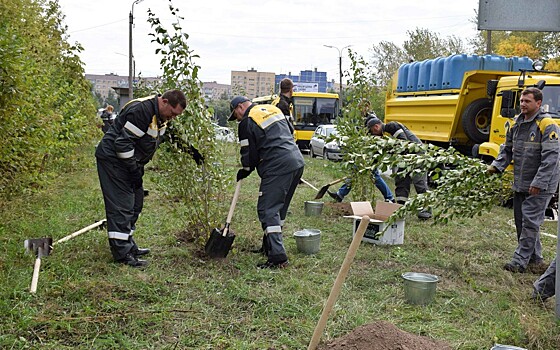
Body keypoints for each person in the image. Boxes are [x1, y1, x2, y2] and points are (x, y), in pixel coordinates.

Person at [95, 89, 193, 267]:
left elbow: (169, 136)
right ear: (163, 101)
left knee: (136, 203)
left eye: (176, 115)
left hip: (130, 162)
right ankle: (122, 254)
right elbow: (122, 144)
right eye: (172, 113)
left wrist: (190, 150)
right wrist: (134, 171)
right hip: (114, 160)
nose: (173, 118)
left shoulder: (161, 116)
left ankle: (129, 245)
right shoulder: (142, 111)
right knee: (122, 205)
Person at [488, 87, 560, 273]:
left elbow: (551, 158)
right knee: (522, 221)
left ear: (538, 103)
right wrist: (496, 166)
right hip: (521, 181)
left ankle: (519, 262)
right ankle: (536, 260)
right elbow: (507, 149)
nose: (522, 104)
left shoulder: (547, 124)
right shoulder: (516, 123)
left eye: (527, 101)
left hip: (540, 185)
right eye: (521, 100)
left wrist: (539, 183)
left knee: (530, 221)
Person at [229, 96, 305, 269]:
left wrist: (245, 170)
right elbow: (290, 132)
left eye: (236, 115)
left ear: (240, 107)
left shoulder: (247, 122)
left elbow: (249, 153)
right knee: (279, 208)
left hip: (277, 166)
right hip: (296, 161)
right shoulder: (273, 110)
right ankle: (269, 246)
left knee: (267, 209)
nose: (238, 119)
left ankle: (278, 258)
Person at [366, 115, 432, 220]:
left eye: (371, 131)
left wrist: (390, 149)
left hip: (417, 155)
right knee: (401, 181)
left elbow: (403, 142)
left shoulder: (392, 126)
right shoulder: (385, 135)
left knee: (419, 181)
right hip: (404, 158)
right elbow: (379, 153)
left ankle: (426, 210)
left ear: (376, 127)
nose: (373, 134)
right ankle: (401, 207)